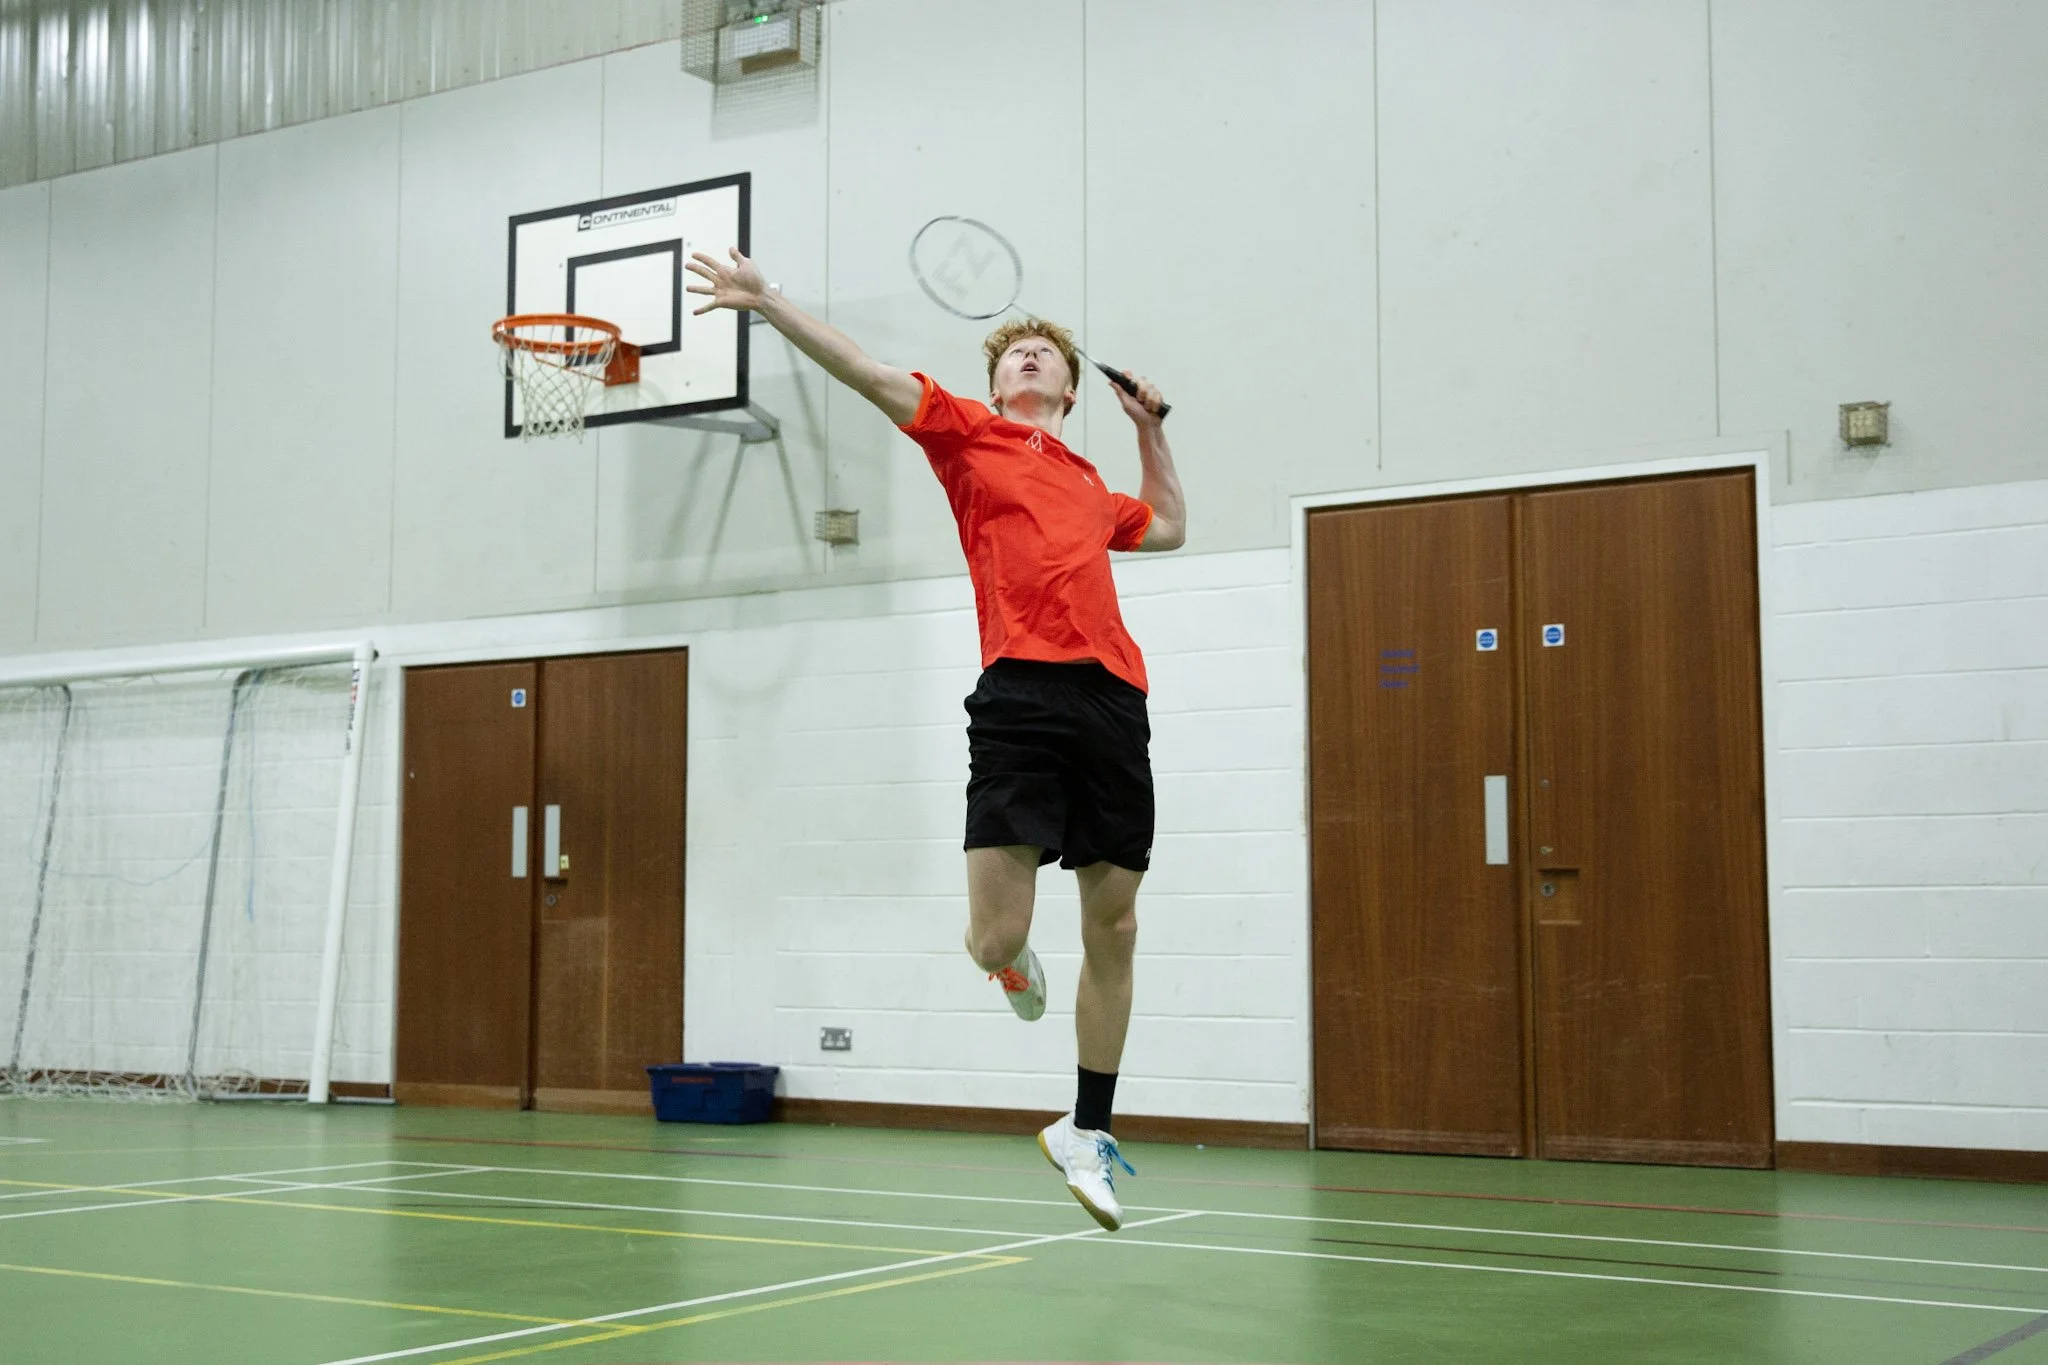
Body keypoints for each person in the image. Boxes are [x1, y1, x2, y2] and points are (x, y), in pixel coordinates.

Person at [686, 248, 1185, 1231]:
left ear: (1072, 390)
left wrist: (1150, 432)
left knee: (1115, 924)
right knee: (997, 934)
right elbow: (865, 371)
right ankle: (1004, 961)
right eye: (1017, 353)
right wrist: (766, 301)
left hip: (1114, 701)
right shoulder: (965, 433)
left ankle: (1084, 1130)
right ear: (997, 381)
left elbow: (1167, 524)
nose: (1031, 358)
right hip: (1019, 697)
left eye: (1047, 354)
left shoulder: (1088, 482)